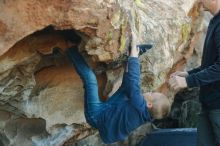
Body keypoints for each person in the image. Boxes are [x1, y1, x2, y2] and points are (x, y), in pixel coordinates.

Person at [63, 44, 171, 144]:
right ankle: (132, 56)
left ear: (149, 104)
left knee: (90, 79)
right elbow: (130, 85)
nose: (150, 92)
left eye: (152, 93)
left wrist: (133, 58)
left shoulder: (139, 106)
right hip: (109, 111)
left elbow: (134, 83)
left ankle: (70, 47)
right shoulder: (147, 113)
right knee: (126, 89)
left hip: (96, 116)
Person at [169, 0, 220, 145]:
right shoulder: (215, 20)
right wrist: (189, 75)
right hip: (208, 103)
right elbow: (211, 64)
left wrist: (188, 82)